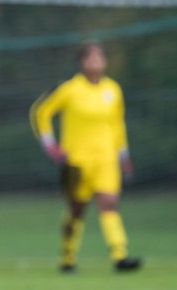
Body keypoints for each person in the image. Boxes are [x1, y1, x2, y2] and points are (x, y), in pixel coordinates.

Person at [31, 41, 142, 273]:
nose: (96, 62)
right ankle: (68, 257)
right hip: (77, 161)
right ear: (82, 62)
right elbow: (41, 112)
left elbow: (117, 124)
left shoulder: (113, 90)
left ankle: (120, 255)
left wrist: (124, 155)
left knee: (110, 203)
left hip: (106, 159)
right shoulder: (70, 89)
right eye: (90, 58)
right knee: (76, 209)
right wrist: (50, 145)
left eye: (100, 57)